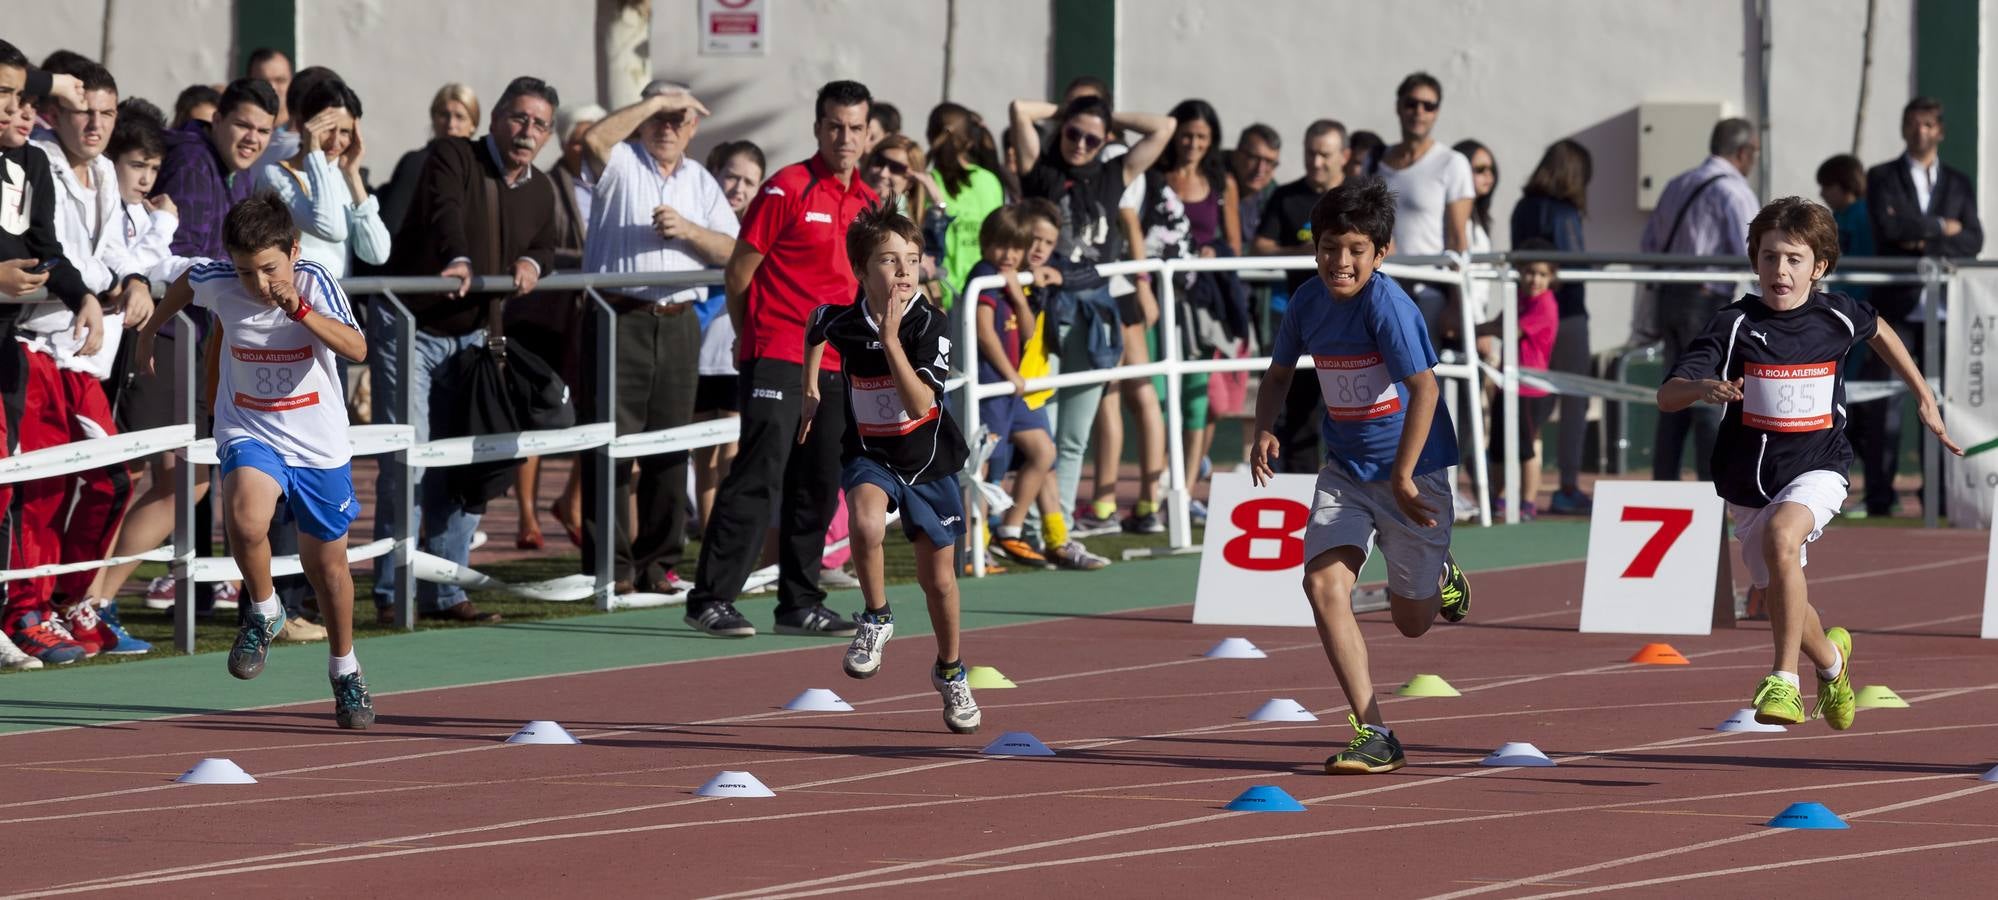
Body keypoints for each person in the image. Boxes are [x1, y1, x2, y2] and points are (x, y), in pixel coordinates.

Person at [1657, 196, 1957, 727]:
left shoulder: (1837, 315)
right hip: (1747, 483)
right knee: (1779, 593)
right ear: (1755, 262)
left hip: (1819, 466)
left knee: (1783, 540)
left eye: (1794, 259)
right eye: (1770, 257)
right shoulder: (1733, 325)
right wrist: (1705, 387)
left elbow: (1880, 329)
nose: (1781, 270)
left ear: (1818, 267)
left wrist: (1923, 395)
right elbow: (1667, 396)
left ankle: (1784, 680)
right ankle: (1834, 664)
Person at [1248, 177, 1471, 774]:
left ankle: (1440, 569)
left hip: (1412, 473)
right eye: (1327, 248)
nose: (1339, 262)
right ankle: (1374, 729)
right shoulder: (1305, 303)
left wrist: (1402, 476)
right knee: (1322, 586)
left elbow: (1424, 389)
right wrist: (1264, 428)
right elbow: (1277, 375)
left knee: (1412, 624)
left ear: (1380, 253)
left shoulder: (1389, 307)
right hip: (1344, 468)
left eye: (1353, 250)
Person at [137, 193, 375, 728]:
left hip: (318, 444)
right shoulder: (221, 280)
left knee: (326, 567)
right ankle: (265, 610)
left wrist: (300, 309)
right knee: (245, 519)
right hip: (251, 428)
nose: (258, 285)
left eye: (268, 269)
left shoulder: (313, 280)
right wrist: (151, 330)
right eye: (247, 272)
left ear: (293, 251)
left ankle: (345, 668)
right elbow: (185, 283)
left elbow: (357, 349)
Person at [683, 80, 880, 638]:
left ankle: (799, 602)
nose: (845, 137)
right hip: (777, 355)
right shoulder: (785, 189)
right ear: (818, 128)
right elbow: (740, 272)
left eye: (855, 128)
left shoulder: (869, 203)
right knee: (757, 476)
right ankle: (710, 599)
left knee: (817, 483)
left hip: (838, 365)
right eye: (835, 126)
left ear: (868, 134)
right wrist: (755, 342)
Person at [376, 75, 559, 624]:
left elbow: (544, 245)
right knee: (406, 461)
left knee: (465, 464)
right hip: (411, 325)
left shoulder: (542, 188)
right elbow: (443, 213)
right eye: (520, 118)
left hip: (478, 339)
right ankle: (393, 593)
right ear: (498, 117)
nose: (528, 132)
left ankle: (447, 590)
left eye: (540, 124)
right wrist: (457, 258)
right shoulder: (453, 155)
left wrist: (532, 265)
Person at [804, 202, 980, 732]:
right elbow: (814, 327)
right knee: (863, 520)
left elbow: (921, 402)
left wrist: (890, 340)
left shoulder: (932, 324)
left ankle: (950, 672)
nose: (904, 271)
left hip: (929, 463)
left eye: (912, 258)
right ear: (861, 271)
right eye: (888, 260)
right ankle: (876, 617)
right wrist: (810, 390)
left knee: (940, 583)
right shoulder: (843, 319)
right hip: (871, 455)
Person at [578, 80, 735, 595]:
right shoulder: (622, 161)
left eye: (678, 118)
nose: (668, 126)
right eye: (660, 116)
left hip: (679, 319)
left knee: (671, 446)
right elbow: (594, 141)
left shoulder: (700, 180)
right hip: (620, 317)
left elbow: (732, 248)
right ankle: (612, 567)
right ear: (643, 117)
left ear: (694, 128)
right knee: (610, 445)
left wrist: (688, 230)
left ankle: (660, 563)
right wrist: (656, 102)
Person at [20, 58, 152, 656]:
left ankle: (70, 600)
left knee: (110, 480)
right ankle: (26, 610)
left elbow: (123, 249)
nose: (96, 124)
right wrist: (101, 287)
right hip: (42, 341)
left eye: (107, 112)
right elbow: (55, 255)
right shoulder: (38, 161)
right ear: (54, 112)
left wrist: (136, 278)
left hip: (90, 355)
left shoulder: (104, 170)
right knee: (42, 484)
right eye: (83, 112)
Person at [1009, 93, 1173, 535]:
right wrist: (1069, 112)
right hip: (1047, 311)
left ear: (1106, 142)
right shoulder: (1042, 171)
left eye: (1091, 139)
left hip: (1097, 314)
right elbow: (1020, 111)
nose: (1080, 144)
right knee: (1043, 427)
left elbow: (1164, 127)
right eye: (1072, 134)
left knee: (1076, 434)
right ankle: (1024, 522)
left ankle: (1056, 526)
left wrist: (1105, 116)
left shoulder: (1113, 172)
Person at [0, 47, 102, 666]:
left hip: (5, 348)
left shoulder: (32, 162)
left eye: (25, 99)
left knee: (9, 486)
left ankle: (12, 617)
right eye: (9, 97)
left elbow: (46, 249)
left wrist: (83, 297)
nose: (19, 109)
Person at [1856, 97, 1983, 518]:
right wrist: (1941, 228)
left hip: (1945, 313)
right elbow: (1888, 230)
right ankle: (1879, 497)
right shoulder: (1882, 176)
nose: (1920, 131)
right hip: (1896, 311)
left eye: (1928, 124)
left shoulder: (1959, 183)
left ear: (1940, 131)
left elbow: (1973, 240)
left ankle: (1939, 496)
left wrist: (1920, 236)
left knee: (1942, 404)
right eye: (1913, 123)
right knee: (1884, 407)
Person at [1640, 117, 1759, 482]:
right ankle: (1714, 487)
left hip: (1670, 298)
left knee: (1674, 393)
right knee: (1709, 391)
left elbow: (1649, 245)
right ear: (1742, 152)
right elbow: (1753, 250)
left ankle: (1665, 484)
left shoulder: (1677, 184)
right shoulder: (1733, 190)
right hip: (1705, 300)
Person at [511, 100, 603, 550]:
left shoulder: (611, 181)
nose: (585, 145)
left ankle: (572, 500)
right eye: (579, 136)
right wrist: (588, 263)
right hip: (545, 315)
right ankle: (526, 514)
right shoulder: (545, 184)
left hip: (591, 318)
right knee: (536, 409)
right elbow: (537, 245)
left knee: (596, 409)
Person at [1254, 119, 1348, 473]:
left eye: (1325, 154)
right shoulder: (1286, 196)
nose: (1317, 162)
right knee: (1300, 413)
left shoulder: (1359, 197)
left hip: (1353, 320)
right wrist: (1302, 250)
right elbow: (1258, 247)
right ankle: (1302, 500)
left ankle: (1358, 500)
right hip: (1303, 318)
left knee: (1355, 414)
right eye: (1311, 153)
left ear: (1344, 156)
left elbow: (1389, 247)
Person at [965, 205, 1056, 568]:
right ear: (986, 244)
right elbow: (985, 331)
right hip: (992, 385)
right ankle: (974, 545)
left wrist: (1019, 294)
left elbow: (1030, 330)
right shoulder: (984, 275)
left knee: (1043, 451)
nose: (1008, 255)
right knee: (985, 467)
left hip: (1010, 392)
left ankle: (1010, 530)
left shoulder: (1013, 279)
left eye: (1015, 248)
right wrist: (1009, 373)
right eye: (1001, 246)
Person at [1511, 138, 1595, 515]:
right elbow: (1575, 264)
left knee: (1529, 399)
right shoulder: (1564, 212)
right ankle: (1566, 484)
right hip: (1568, 314)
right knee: (1575, 397)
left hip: (1530, 312)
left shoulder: (1522, 209)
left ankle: (1510, 479)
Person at [1369, 72, 1475, 342]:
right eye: (1411, 103)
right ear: (1398, 106)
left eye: (1429, 106)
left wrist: (1457, 303)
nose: (1419, 111)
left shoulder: (1452, 162)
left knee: (1424, 380)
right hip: (1379, 287)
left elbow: (1457, 237)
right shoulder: (1375, 161)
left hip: (1428, 292)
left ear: (1437, 112)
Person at [691, 140, 762, 532]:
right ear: (715, 174)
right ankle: (707, 531)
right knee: (703, 453)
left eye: (749, 181)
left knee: (732, 451)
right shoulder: (698, 219)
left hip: (736, 353)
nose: (738, 187)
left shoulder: (758, 228)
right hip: (698, 351)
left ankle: (729, 531)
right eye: (731, 176)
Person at [1475, 240, 1559, 519]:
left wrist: (1476, 328)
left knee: (1527, 448)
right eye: (1530, 272)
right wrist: (1471, 328)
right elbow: (1499, 324)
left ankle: (1528, 502)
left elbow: (1510, 330)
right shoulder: (1519, 298)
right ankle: (1497, 499)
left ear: (1551, 278)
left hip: (1530, 389)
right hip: (1507, 383)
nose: (1534, 279)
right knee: (1497, 446)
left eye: (1541, 274)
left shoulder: (1544, 304)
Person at [924, 102, 1007, 310]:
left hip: (942, 296)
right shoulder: (990, 181)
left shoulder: (925, 183)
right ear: (970, 141)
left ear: (929, 135)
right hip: (986, 295)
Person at [379, 82, 478, 234]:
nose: (451, 124)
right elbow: (392, 224)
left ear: (473, 124)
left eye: (460, 117)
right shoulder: (416, 162)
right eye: (444, 115)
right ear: (433, 118)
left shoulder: (480, 169)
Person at [1453, 138, 1498, 321]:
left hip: (1477, 311)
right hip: (1463, 312)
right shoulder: (1454, 218)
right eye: (1480, 170)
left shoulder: (1478, 216)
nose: (1488, 176)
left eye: (1491, 170)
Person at [1229, 123, 1281, 243]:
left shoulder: (1275, 195)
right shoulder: (1211, 188)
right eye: (1253, 158)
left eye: (1269, 162)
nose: (1260, 169)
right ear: (1236, 156)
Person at [244, 47, 297, 163]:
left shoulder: (302, 137)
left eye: (280, 80)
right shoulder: (238, 135)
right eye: (263, 81)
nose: (272, 88)